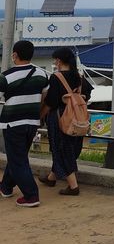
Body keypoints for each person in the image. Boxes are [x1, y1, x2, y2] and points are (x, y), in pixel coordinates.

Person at [0, 40, 49, 208]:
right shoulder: (41, 74)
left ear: (15, 55)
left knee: (18, 160)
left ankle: (31, 195)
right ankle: (6, 187)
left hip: (12, 123)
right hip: (32, 122)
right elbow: (44, 97)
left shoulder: (6, 76)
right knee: (18, 157)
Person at [40, 47, 92, 196]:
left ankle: (73, 186)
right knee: (70, 147)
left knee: (60, 148)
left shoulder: (56, 77)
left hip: (59, 117)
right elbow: (87, 94)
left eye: (55, 60)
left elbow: (51, 102)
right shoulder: (79, 77)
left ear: (59, 61)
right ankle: (52, 178)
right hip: (77, 118)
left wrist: (40, 115)